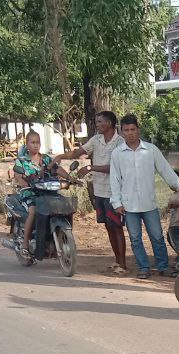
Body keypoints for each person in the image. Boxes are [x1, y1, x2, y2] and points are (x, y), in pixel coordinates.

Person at [109, 113, 179, 280]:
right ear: (121, 132)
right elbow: (114, 179)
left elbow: (165, 170)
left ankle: (163, 266)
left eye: (133, 129)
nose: (130, 133)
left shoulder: (150, 150)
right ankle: (143, 267)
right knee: (135, 239)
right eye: (126, 130)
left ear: (138, 130)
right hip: (129, 205)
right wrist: (116, 202)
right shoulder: (117, 154)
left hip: (149, 203)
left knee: (157, 236)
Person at [56, 111, 129, 275]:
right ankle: (117, 261)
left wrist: (91, 167)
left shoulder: (120, 142)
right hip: (100, 191)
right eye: (97, 121)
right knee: (109, 227)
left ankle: (123, 263)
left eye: (100, 121)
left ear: (109, 123)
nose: (97, 124)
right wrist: (61, 156)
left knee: (116, 227)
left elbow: (114, 167)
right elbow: (78, 152)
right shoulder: (96, 139)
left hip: (114, 192)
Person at [12, 130, 73, 260]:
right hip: (30, 192)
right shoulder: (21, 160)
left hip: (48, 193)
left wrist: (70, 178)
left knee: (64, 207)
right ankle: (25, 244)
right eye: (32, 142)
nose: (36, 145)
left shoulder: (46, 159)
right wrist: (23, 183)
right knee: (33, 210)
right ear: (27, 144)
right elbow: (18, 176)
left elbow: (57, 168)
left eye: (38, 142)